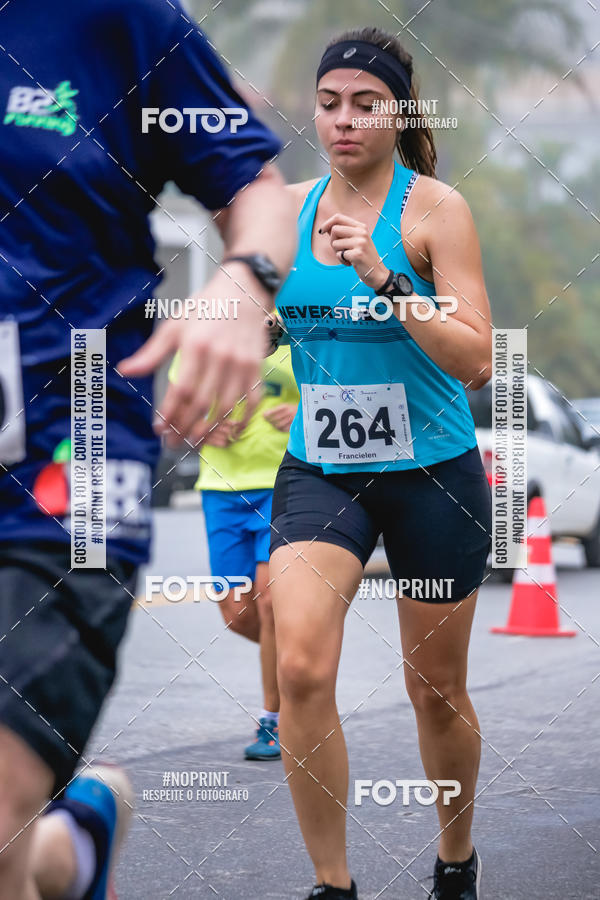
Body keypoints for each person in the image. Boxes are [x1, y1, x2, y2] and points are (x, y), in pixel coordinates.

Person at [0, 1, 296, 897]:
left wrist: (243, 287)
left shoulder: (113, 18)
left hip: (71, 461)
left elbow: (256, 188)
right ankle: (71, 846)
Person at [268, 27, 492, 900]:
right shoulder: (283, 210)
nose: (344, 121)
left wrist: (389, 281)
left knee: (433, 689)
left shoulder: (435, 211)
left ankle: (455, 860)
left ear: (401, 113)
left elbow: (476, 359)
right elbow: (251, 320)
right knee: (300, 669)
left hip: (434, 474)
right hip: (321, 469)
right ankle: (334, 884)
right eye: (329, 104)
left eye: (366, 104)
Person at [169, 340, 299, 760]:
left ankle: (274, 719)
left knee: (268, 602)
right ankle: (303, 657)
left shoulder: (298, 322)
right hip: (220, 491)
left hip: (282, 483)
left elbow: (340, 393)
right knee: (237, 614)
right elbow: (171, 417)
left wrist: (305, 415)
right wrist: (196, 430)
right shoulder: (208, 333)